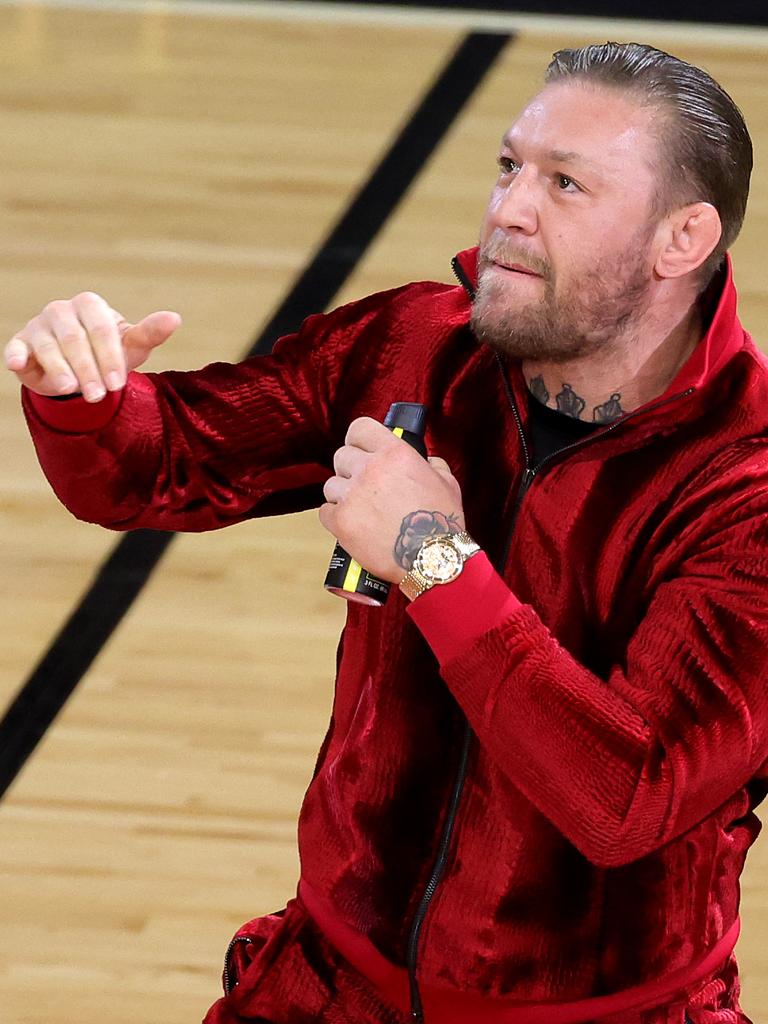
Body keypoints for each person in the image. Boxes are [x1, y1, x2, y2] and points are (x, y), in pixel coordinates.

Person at [5, 40, 766, 1024]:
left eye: (565, 184)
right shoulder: (414, 342)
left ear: (682, 238)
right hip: (328, 986)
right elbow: (158, 465)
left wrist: (434, 560)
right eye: (508, 167)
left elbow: (626, 797)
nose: (508, 210)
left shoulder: (745, 488)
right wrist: (86, 395)